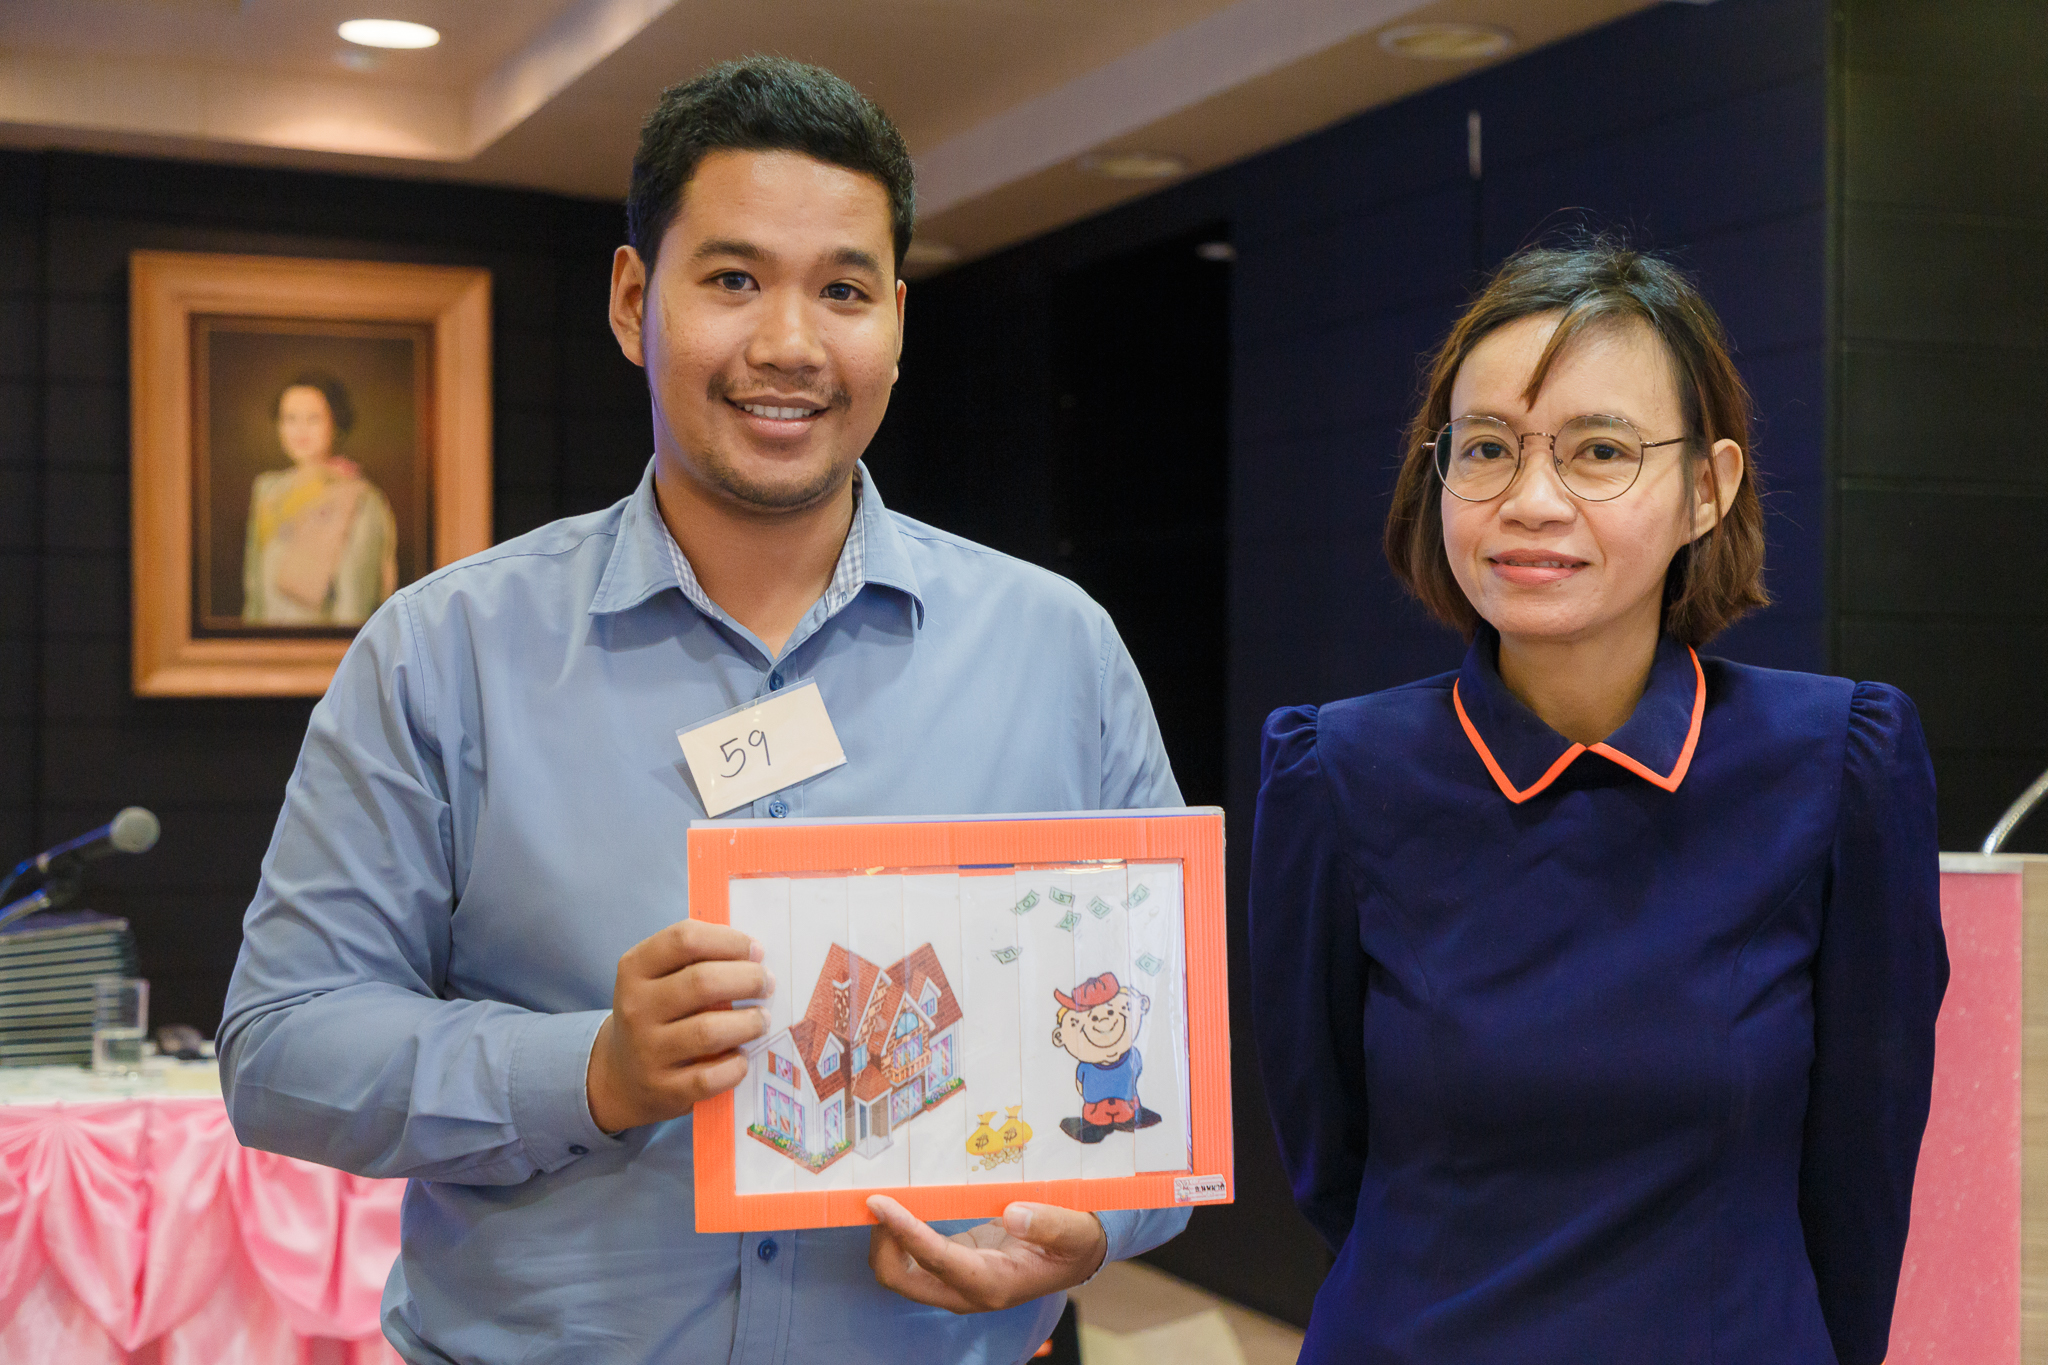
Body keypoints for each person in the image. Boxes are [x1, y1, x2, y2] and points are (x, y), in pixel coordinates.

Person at [220, 57, 1187, 1364]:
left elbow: (1159, 1076)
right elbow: (282, 1052)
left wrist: (1096, 1225)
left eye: (841, 290)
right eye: (732, 279)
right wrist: (593, 1072)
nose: (788, 344)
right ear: (635, 300)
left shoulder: (1056, 650)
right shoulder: (445, 653)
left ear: (896, 323)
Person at [1248, 242, 1947, 1364]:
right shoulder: (1335, 769)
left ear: (1708, 488)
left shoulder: (1834, 762)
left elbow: (1862, 1172)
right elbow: (1326, 1154)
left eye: (1599, 452)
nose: (1531, 502)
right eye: (1486, 449)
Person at [242, 371, 399, 625]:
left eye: (313, 419)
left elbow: (355, 603)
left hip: (322, 644)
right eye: (290, 419)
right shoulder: (267, 490)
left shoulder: (361, 500)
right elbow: (255, 592)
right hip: (266, 643)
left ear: (335, 424)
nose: (300, 430)